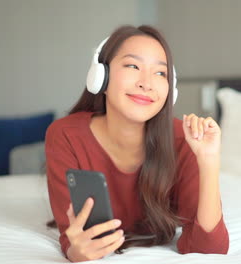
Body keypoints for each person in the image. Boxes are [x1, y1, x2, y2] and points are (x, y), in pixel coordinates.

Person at [45, 25, 229, 262]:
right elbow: (72, 238)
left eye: (160, 73)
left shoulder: (186, 140)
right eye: (133, 66)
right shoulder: (66, 135)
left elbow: (208, 249)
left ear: (169, 91)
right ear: (101, 76)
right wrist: (75, 252)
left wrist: (209, 161)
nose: (147, 83)